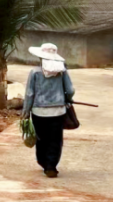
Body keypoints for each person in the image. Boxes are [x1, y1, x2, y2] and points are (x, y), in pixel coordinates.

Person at [22, 42, 74, 178]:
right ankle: (51, 166)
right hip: (59, 111)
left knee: (42, 138)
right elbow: (70, 90)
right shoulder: (62, 71)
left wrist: (26, 112)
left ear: (41, 58)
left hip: (39, 111)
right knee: (55, 139)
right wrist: (68, 99)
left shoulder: (34, 72)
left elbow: (29, 94)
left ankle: (43, 162)